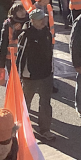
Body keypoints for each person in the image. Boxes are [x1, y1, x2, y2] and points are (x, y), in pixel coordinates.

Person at [16, 9, 56, 141]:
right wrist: (19, 74)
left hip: (46, 74)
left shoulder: (46, 32)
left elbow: (49, 52)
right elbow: (20, 57)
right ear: (32, 21)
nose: (43, 21)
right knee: (26, 102)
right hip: (30, 76)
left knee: (45, 103)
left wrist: (50, 70)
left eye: (44, 18)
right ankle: (22, 128)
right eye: (40, 19)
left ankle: (45, 129)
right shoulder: (26, 35)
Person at [0, 4, 28, 75]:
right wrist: (1, 64)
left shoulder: (28, 22)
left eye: (23, 10)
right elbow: (3, 44)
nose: (23, 12)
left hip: (25, 57)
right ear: (14, 13)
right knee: (13, 80)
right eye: (20, 11)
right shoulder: (8, 24)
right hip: (11, 58)